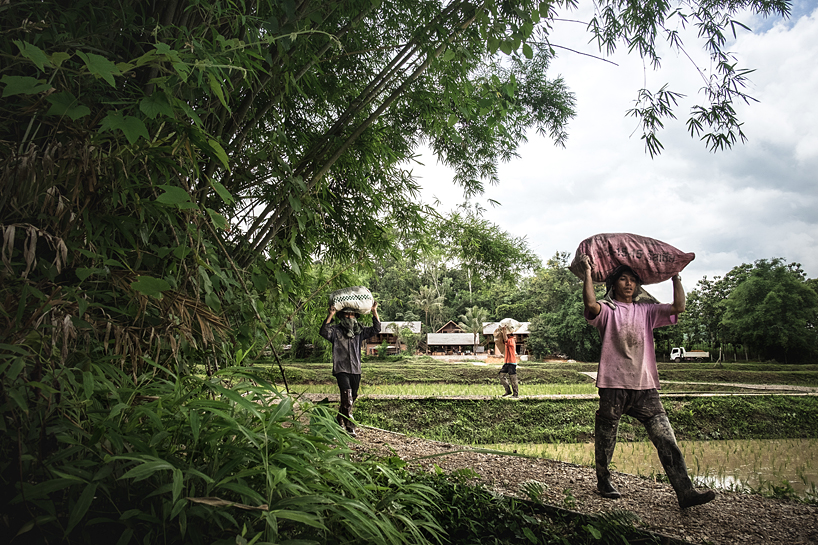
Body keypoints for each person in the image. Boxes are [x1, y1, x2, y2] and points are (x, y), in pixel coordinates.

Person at [581, 257, 716, 509]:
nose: (629, 283)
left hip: (645, 387)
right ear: (613, 284)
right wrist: (588, 272)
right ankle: (604, 481)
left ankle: (685, 492)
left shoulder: (647, 311)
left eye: (633, 280)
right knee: (606, 435)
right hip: (614, 384)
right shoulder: (607, 310)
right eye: (623, 278)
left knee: (666, 438)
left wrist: (676, 278)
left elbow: (678, 307)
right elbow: (590, 303)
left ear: (639, 285)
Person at [319, 301, 380, 437]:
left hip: (356, 369)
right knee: (347, 396)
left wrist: (374, 311)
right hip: (341, 368)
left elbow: (376, 329)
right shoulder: (335, 331)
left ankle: (339, 419)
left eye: (352, 314)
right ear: (342, 316)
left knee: (353, 396)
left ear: (355, 316)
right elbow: (323, 331)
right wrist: (330, 314)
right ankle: (349, 426)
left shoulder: (360, 331)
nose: (350, 317)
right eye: (347, 315)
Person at [498, 327, 519, 398]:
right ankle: (508, 390)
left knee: (513, 378)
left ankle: (515, 394)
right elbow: (504, 340)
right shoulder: (508, 340)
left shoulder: (512, 340)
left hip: (512, 362)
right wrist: (503, 331)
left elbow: (505, 339)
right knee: (501, 375)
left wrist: (504, 330)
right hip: (506, 362)